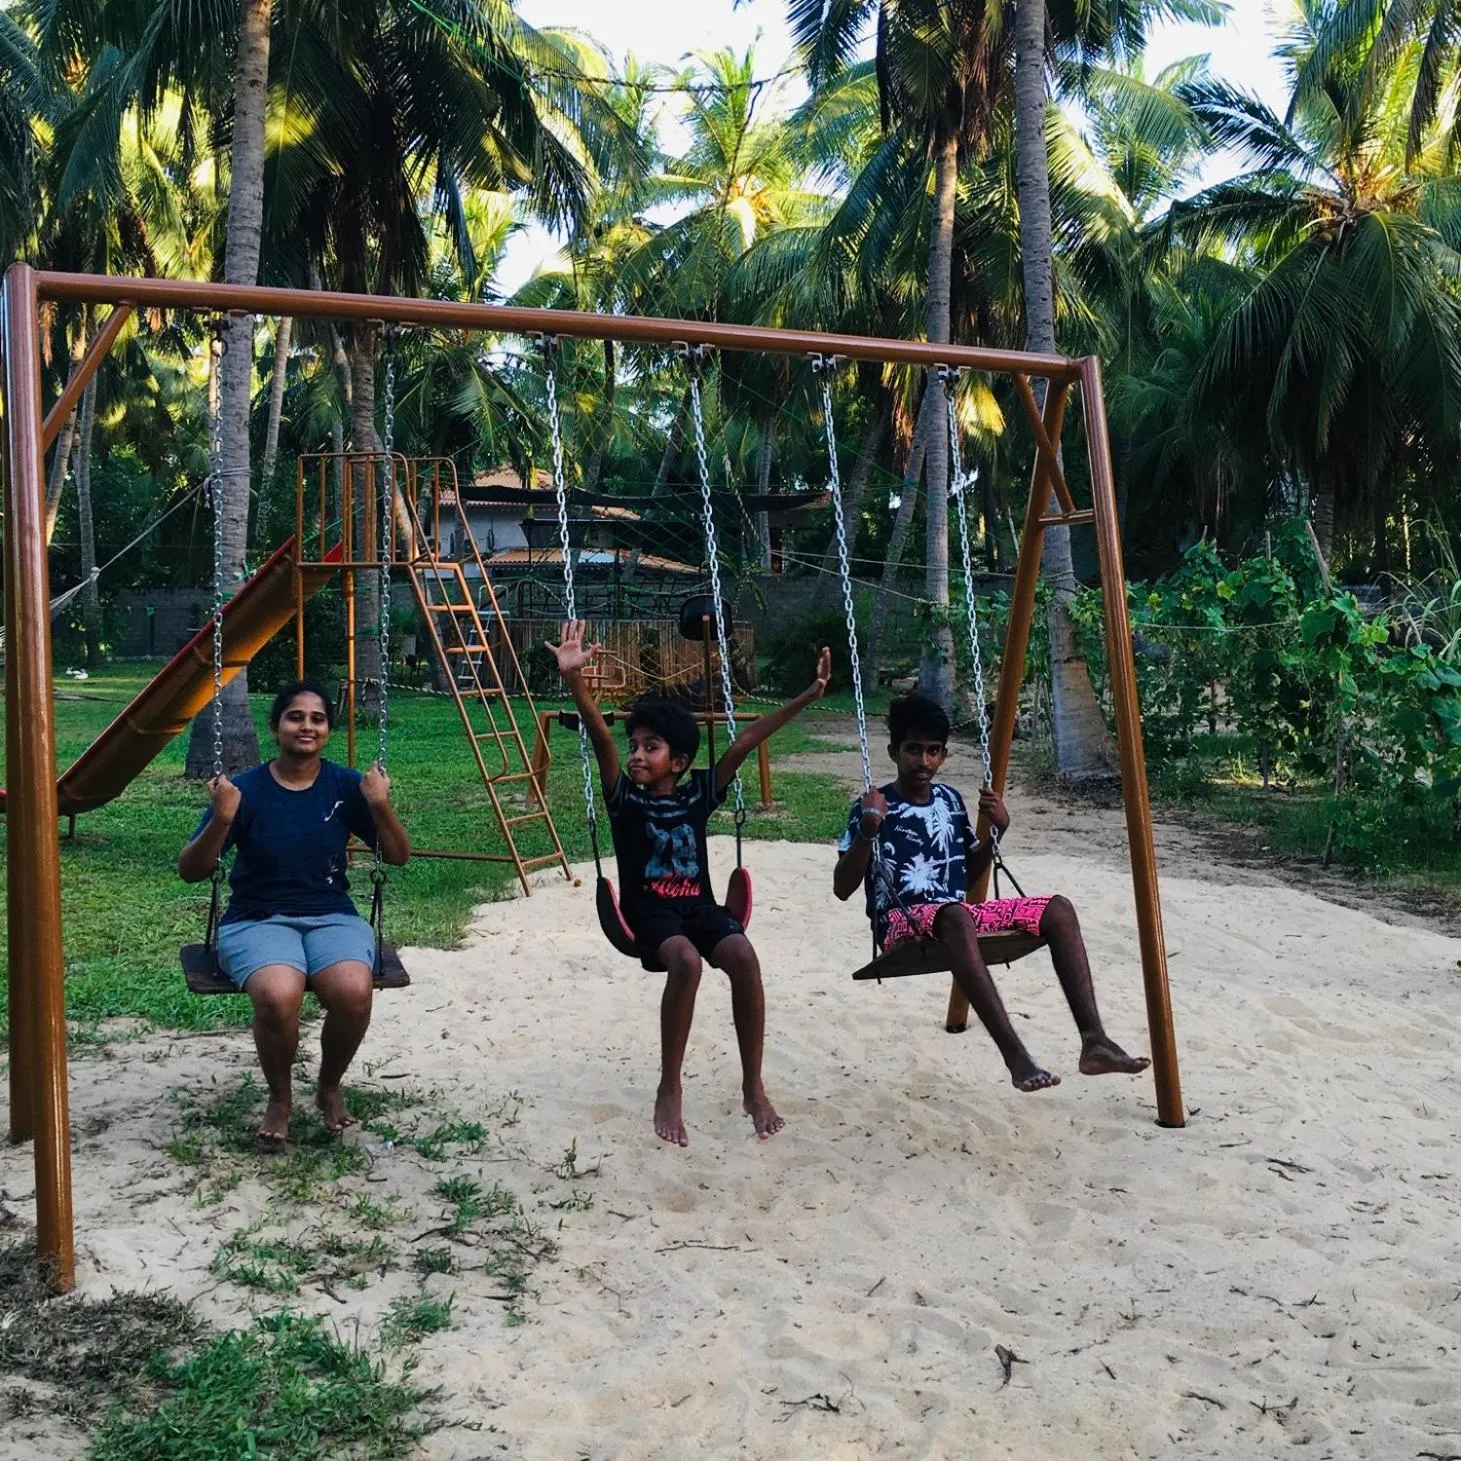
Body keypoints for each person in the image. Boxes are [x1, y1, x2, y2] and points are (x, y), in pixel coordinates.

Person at [549, 621, 832, 1147]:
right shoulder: (623, 799)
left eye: (650, 747)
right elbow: (598, 733)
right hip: (648, 914)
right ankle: (670, 1088)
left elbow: (747, 739)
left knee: (744, 957)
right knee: (686, 960)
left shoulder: (699, 792)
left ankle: (752, 1085)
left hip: (699, 907)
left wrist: (808, 696)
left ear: (678, 762)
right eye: (635, 744)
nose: (636, 754)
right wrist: (575, 682)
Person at [833, 694, 1150, 1093]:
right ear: (894, 751)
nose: (924, 761)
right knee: (956, 914)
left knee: (1059, 910)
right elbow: (842, 888)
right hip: (900, 924)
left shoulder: (949, 800)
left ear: (945, 756)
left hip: (953, 916)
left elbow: (966, 877)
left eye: (934, 752)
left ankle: (1095, 1041)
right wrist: (867, 829)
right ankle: (1017, 1057)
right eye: (914, 750)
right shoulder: (871, 805)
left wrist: (996, 831)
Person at [178, 679, 411, 1141]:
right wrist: (223, 818)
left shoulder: (346, 786)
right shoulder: (245, 790)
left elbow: (399, 855)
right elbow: (191, 869)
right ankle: (280, 1097)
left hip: (331, 914)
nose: (307, 726)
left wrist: (380, 806)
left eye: (317, 718)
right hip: (257, 918)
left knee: (352, 992)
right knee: (278, 996)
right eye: (295, 717)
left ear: (327, 729)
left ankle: (328, 1087)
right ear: (277, 726)